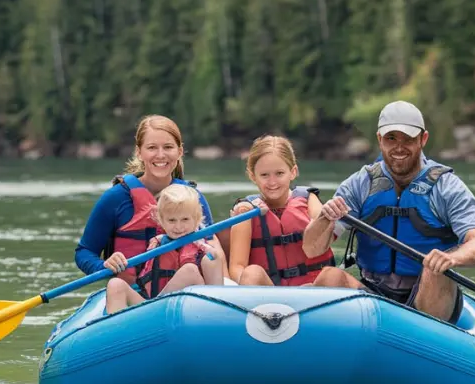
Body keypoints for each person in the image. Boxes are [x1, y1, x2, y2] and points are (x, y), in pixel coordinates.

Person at [302, 100, 475, 323]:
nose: (399, 147)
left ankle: (424, 341)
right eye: (391, 138)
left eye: (408, 139)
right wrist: (325, 218)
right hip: (374, 292)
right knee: (329, 277)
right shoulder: (360, 184)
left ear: (423, 139)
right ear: (379, 140)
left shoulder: (446, 187)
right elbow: (311, 249)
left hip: (429, 296)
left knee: (434, 270)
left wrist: (451, 258)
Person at [74, 115, 227, 288]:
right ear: (139, 152)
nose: (160, 155)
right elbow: (84, 252)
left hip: (187, 293)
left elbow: (212, 246)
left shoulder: (193, 198)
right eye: (152, 147)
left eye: (168, 147)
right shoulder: (116, 198)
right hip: (134, 295)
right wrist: (103, 266)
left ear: (180, 151)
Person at [227, 135, 334, 285]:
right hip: (269, 294)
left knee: (333, 275)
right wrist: (247, 283)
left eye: (279, 173)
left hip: (312, 290)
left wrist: (330, 216)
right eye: (264, 175)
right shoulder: (246, 212)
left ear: (293, 172)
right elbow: (237, 267)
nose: (272, 182)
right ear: (253, 176)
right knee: (251, 273)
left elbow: (324, 233)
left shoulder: (310, 200)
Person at [105, 184, 224, 313]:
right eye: (172, 220)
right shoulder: (156, 244)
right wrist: (114, 262)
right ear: (161, 220)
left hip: (191, 312)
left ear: (196, 219)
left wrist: (214, 258)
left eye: (185, 219)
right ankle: (117, 328)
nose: (178, 227)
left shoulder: (206, 252)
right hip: (148, 306)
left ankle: (156, 308)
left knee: (190, 269)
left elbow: (216, 297)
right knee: (115, 284)